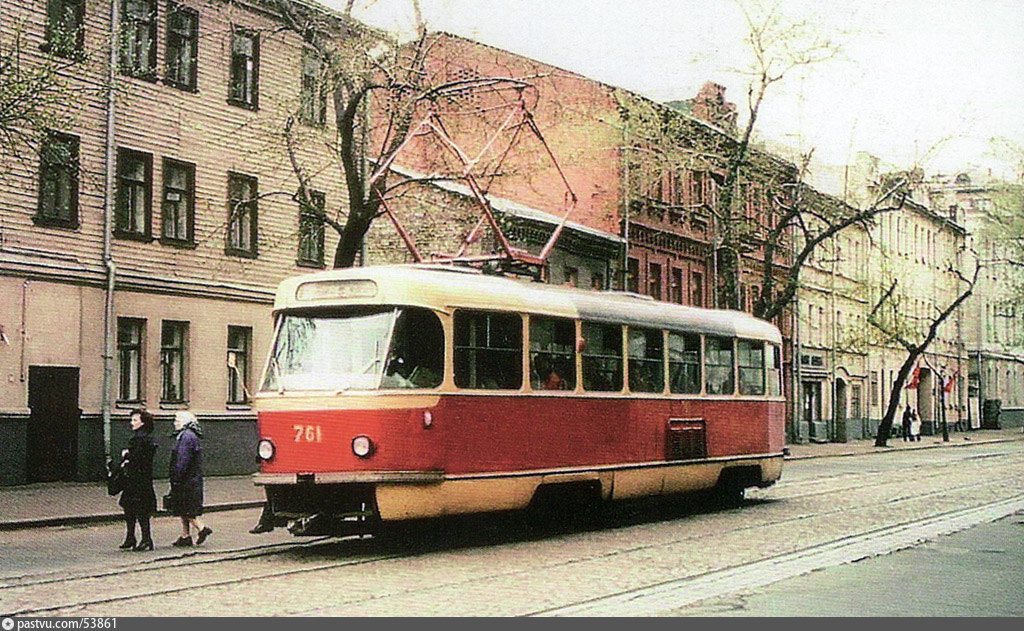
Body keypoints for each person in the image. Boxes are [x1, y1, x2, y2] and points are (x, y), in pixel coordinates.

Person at [115, 408, 157, 551]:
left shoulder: (140, 439)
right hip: (141, 479)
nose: (131, 423)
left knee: (136, 509)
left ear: (143, 422)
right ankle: (132, 537)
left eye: (135, 420)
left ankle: (145, 539)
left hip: (136, 479)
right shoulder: (145, 437)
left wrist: (126, 456)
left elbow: (137, 458)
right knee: (133, 508)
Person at [168, 410, 212, 547]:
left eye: (177, 420)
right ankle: (185, 536)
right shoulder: (190, 435)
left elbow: (183, 458)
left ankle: (202, 528)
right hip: (191, 479)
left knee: (186, 509)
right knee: (184, 508)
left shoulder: (186, 437)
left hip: (186, 480)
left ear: (184, 422)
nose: (175, 423)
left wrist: (176, 475)